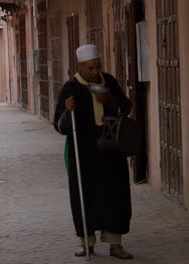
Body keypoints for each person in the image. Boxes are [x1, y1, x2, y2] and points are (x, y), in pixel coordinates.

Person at [53, 44, 133, 259]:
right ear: (79, 66)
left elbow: (126, 107)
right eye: (89, 68)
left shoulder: (109, 82)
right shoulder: (71, 88)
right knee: (84, 195)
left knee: (115, 195)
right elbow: (59, 125)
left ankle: (115, 244)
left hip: (111, 151)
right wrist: (68, 112)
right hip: (84, 152)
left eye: (97, 67)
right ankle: (86, 242)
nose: (95, 72)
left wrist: (111, 101)